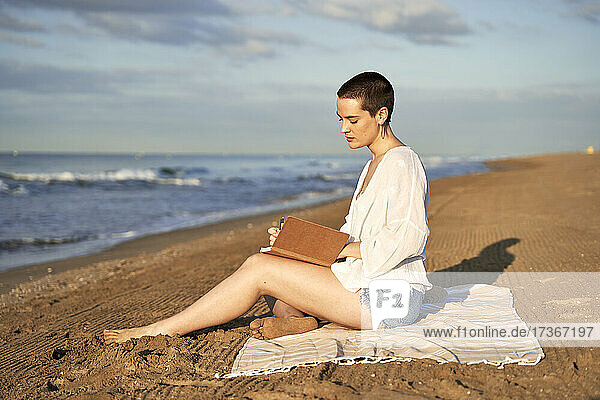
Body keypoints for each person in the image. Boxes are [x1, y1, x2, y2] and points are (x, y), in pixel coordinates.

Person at [104, 71, 432, 344]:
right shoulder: (373, 164)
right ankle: (297, 321)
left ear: (381, 115)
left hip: (391, 301)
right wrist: (301, 243)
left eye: (352, 119)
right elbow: (354, 233)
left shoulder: (404, 162)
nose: (343, 129)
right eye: (340, 119)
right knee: (275, 258)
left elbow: (408, 239)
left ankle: (159, 330)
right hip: (365, 283)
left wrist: (336, 251)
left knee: (259, 269)